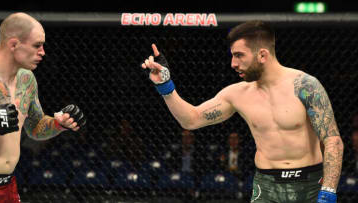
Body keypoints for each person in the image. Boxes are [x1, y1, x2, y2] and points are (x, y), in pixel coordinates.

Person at [141, 20, 344, 203]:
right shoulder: (237, 94)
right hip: (266, 187)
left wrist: (328, 191)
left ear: (262, 54)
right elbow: (191, 120)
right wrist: (165, 86)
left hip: (311, 184)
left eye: (239, 55)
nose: (233, 64)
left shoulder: (305, 86)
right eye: (232, 56)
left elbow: (332, 140)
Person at [0, 12, 86, 202]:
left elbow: (35, 129)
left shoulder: (26, 79)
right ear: (14, 44)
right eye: (37, 45)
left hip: (7, 187)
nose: (43, 52)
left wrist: (58, 124)